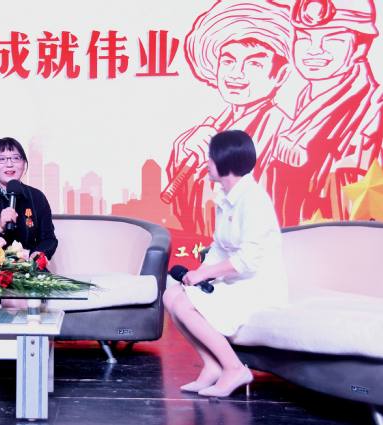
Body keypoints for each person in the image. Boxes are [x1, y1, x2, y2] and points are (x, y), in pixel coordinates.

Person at [163, 130, 288, 398]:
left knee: (184, 304)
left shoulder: (253, 200)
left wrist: (206, 274)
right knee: (171, 295)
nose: (206, 163)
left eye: (210, 158)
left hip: (257, 286)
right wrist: (198, 274)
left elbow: (249, 260)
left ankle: (234, 368)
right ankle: (212, 366)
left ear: (224, 161)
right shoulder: (225, 197)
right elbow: (220, 247)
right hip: (234, 281)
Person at [162, 0, 293, 235]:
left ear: (280, 75)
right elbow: (184, 215)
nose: (236, 73)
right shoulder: (204, 131)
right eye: (228, 60)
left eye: (254, 63)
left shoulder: (285, 133)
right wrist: (182, 155)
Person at [274, 0, 383, 225]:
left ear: (360, 48)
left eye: (333, 39)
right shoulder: (296, 112)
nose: (314, 50)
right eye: (304, 38)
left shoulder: (373, 114)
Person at [0, 137, 58, 259]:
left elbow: (49, 239)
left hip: (28, 267)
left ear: (24, 163)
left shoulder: (37, 197)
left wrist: (37, 255)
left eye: (16, 158)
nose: (9, 164)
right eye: (1, 159)